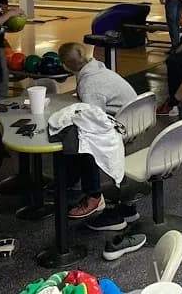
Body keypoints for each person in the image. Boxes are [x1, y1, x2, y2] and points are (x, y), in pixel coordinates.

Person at [57, 42, 137, 220]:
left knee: (80, 140)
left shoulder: (89, 84)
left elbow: (93, 120)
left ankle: (93, 196)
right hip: (134, 120)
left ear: (64, 66)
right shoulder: (98, 68)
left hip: (120, 127)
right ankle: (68, 182)